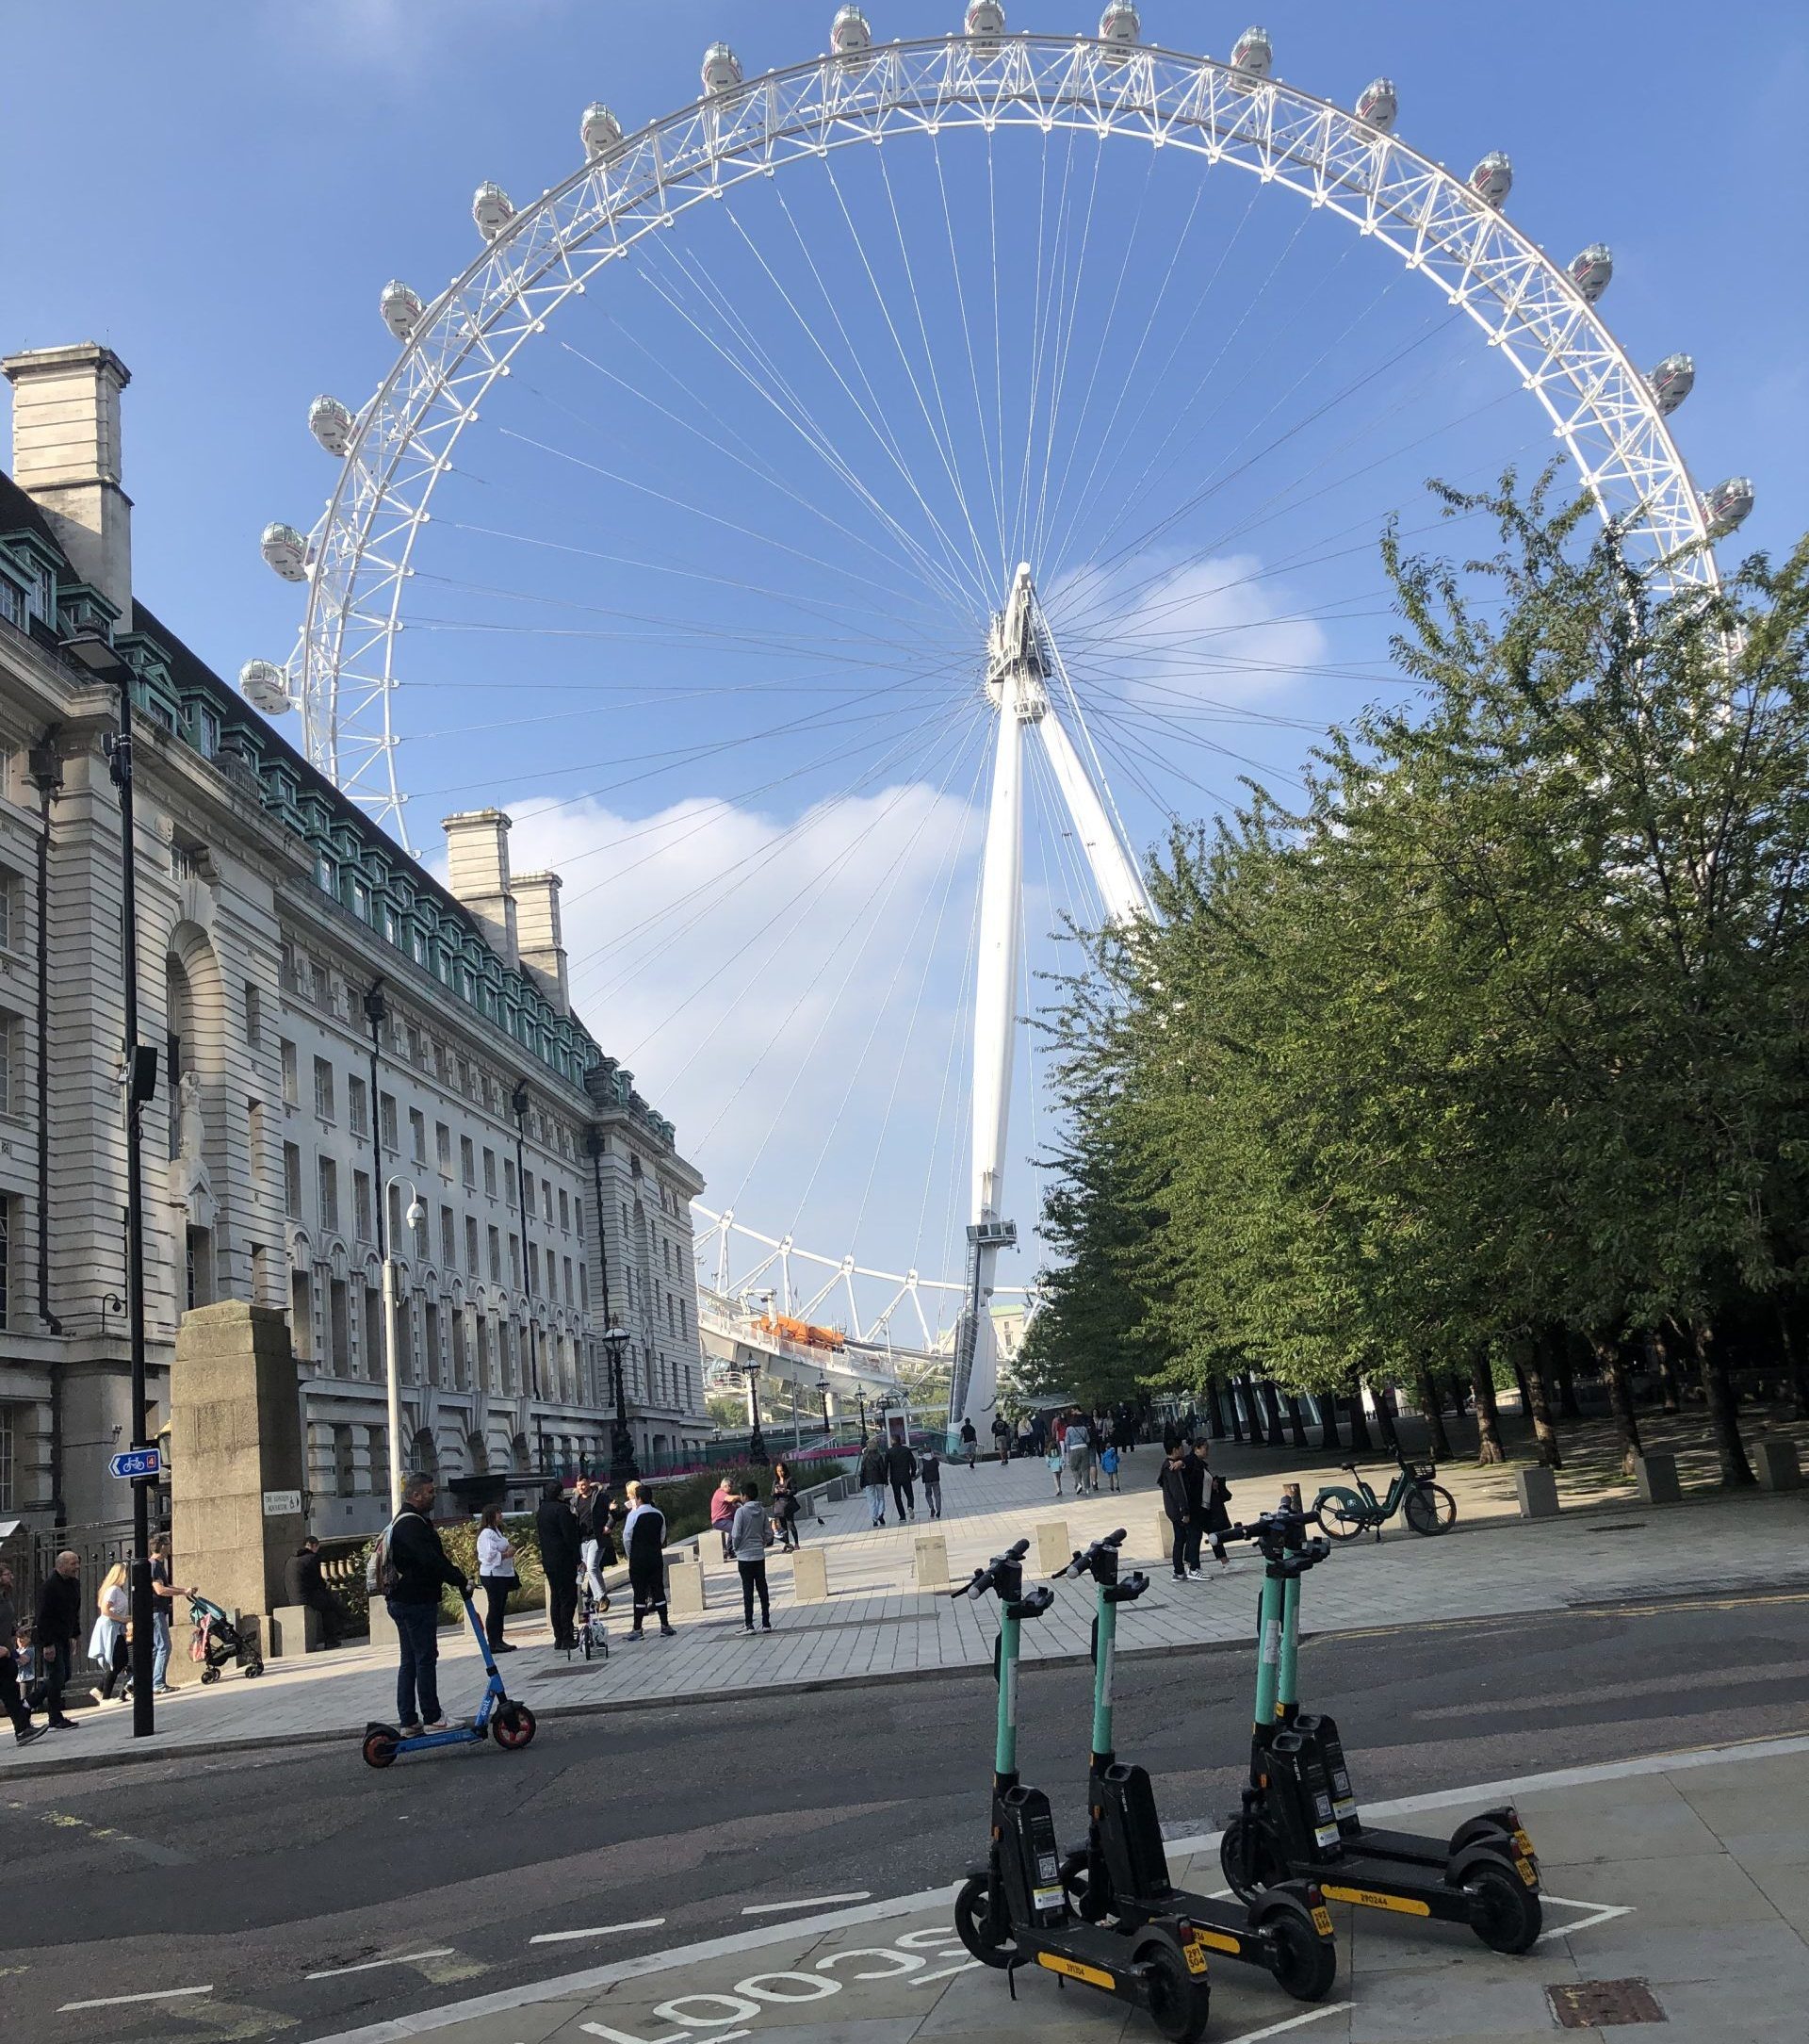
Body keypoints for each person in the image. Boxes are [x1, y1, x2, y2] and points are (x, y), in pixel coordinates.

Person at [382, 1472, 467, 1733]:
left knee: (409, 1660)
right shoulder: (412, 1525)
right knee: (425, 1658)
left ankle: (408, 1720)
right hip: (416, 1601)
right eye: (430, 1492)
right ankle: (432, 1715)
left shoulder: (402, 1522)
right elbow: (431, 1560)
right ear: (416, 1495)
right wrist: (459, 1579)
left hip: (401, 1600)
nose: (434, 1496)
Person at [34, 1550, 83, 1729]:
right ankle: (54, 1717)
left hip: (64, 1636)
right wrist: (47, 1644)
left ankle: (28, 1703)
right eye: (72, 1564)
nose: (76, 1567)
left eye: (77, 1563)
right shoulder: (50, 1586)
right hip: (52, 1638)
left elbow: (73, 1611)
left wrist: (76, 1634)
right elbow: (42, 1617)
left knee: (64, 1675)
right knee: (56, 1676)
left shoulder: (74, 1584)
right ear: (60, 1565)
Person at [622, 1480, 676, 1638]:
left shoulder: (634, 1515)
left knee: (639, 1592)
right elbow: (662, 1535)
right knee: (658, 1589)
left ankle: (637, 1629)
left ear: (638, 1499)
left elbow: (626, 1537)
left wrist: (630, 1554)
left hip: (638, 1558)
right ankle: (665, 1625)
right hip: (655, 1556)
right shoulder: (659, 1514)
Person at [0, 1562, 45, 1746]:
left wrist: (15, 1632)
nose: (11, 1577)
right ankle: (22, 1728)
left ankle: (23, 1729)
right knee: (9, 1693)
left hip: (6, 1655)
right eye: (6, 1574)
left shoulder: (5, 1597)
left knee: (10, 1694)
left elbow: (5, 1622)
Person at [536, 1480, 580, 1651]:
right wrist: (578, 1559)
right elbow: (569, 1537)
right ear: (560, 1493)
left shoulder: (542, 1511)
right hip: (564, 1560)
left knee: (555, 1598)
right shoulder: (561, 1510)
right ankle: (567, 1637)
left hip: (549, 1560)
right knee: (568, 1599)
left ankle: (558, 1637)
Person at [280, 1535, 346, 1651]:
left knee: (328, 1602)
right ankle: (331, 1639)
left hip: (293, 1597)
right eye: (317, 1547)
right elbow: (318, 1582)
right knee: (329, 1606)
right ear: (313, 1545)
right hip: (306, 1597)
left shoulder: (291, 1559)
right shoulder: (311, 1558)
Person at [728, 1480, 774, 1633]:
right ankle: (766, 1622)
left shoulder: (741, 1512)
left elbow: (736, 1534)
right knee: (762, 1588)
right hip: (759, 1555)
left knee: (748, 1590)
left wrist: (736, 1548)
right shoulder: (761, 1511)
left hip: (745, 1557)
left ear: (745, 1496)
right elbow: (769, 1533)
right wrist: (762, 1543)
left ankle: (749, 1624)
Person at [476, 1505, 518, 1654]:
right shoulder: (487, 1534)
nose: (501, 1515)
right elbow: (489, 1555)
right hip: (493, 1575)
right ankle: (493, 1642)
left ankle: (499, 1639)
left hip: (503, 1574)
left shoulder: (497, 1532)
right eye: (497, 1513)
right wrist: (506, 1554)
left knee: (500, 1608)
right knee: (495, 1608)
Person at [90, 1561, 131, 1706]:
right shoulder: (113, 1590)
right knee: (116, 1659)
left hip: (116, 1626)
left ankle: (100, 1689)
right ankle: (105, 1696)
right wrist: (123, 1619)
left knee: (121, 1659)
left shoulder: (117, 1590)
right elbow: (105, 1610)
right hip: (111, 1627)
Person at [1159, 1444, 1197, 1582]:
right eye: (1180, 1447)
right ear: (1175, 1449)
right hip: (1177, 1511)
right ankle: (1180, 1569)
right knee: (1182, 1539)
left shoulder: (1169, 1465)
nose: (1183, 1450)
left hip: (1174, 1510)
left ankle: (1180, 1569)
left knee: (1181, 1539)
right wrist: (1184, 1511)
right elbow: (1178, 1491)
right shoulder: (1171, 1468)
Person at [1195, 1440, 1234, 1570]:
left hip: (1207, 1506)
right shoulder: (1194, 1464)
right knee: (1195, 1536)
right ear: (1197, 1449)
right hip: (1200, 1507)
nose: (1207, 1451)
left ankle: (1225, 1561)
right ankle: (1191, 1566)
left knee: (1213, 1533)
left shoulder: (1201, 1465)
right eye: (1205, 1448)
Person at [886, 1432, 919, 1521]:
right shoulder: (906, 1450)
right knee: (909, 1494)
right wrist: (913, 1474)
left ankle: (902, 1516)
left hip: (895, 1477)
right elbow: (913, 1462)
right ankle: (910, 1506)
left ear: (893, 1441)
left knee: (897, 1497)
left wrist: (886, 1478)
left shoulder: (889, 1452)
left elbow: (886, 1465)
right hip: (906, 1475)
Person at [858, 1435, 889, 1527]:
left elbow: (862, 1471)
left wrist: (861, 1483)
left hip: (868, 1482)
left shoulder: (864, 1458)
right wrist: (885, 1481)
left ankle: (874, 1519)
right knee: (881, 1498)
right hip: (879, 1479)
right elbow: (882, 1469)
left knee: (871, 1500)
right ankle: (880, 1513)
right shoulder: (879, 1456)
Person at [770, 1462, 801, 1552]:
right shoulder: (775, 1482)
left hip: (788, 1505)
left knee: (791, 1524)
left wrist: (786, 1491)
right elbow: (772, 1494)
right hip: (780, 1506)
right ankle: (787, 1544)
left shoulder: (790, 1479)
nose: (780, 1473)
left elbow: (795, 1490)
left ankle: (796, 1543)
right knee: (783, 1527)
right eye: (778, 1471)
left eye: (782, 1471)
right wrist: (776, 1492)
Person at [709, 1478, 738, 1562]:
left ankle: (733, 1550)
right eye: (731, 1487)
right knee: (734, 1528)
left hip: (727, 1519)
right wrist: (739, 1497)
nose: (732, 1490)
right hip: (719, 1520)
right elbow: (730, 1499)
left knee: (738, 1525)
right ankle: (730, 1550)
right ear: (725, 1486)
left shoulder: (725, 1494)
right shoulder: (720, 1493)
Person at [1065, 1413, 1091, 1496]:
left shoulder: (1069, 1429)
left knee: (1074, 1468)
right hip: (1084, 1448)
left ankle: (1079, 1483)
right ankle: (1087, 1488)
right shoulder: (1083, 1428)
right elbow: (1088, 1439)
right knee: (1085, 1469)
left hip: (1074, 1449)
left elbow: (1067, 1442)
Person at [920, 1447, 943, 1520]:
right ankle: (938, 1511)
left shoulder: (922, 1460)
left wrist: (915, 1477)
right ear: (931, 1451)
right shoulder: (934, 1458)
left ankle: (931, 1507)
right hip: (936, 1479)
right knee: (937, 1495)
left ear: (923, 1452)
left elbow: (921, 1470)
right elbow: (938, 1465)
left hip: (927, 1480)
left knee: (928, 1494)